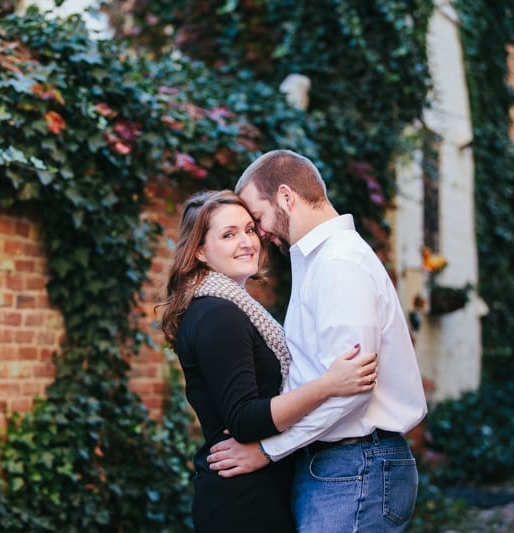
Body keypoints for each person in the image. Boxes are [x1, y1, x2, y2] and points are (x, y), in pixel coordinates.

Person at [206, 150, 428, 532]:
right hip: (342, 466)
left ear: (286, 197)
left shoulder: (338, 264)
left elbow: (353, 390)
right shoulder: (319, 261)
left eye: (257, 218)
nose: (259, 233)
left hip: (355, 466)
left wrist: (266, 450)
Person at [160, 189, 379, 532]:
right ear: (200, 251)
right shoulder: (219, 315)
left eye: (249, 229)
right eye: (228, 235)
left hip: (259, 489)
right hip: (243, 501)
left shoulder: (230, 308)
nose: (247, 242)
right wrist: (329, 384)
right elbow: (245, 419)